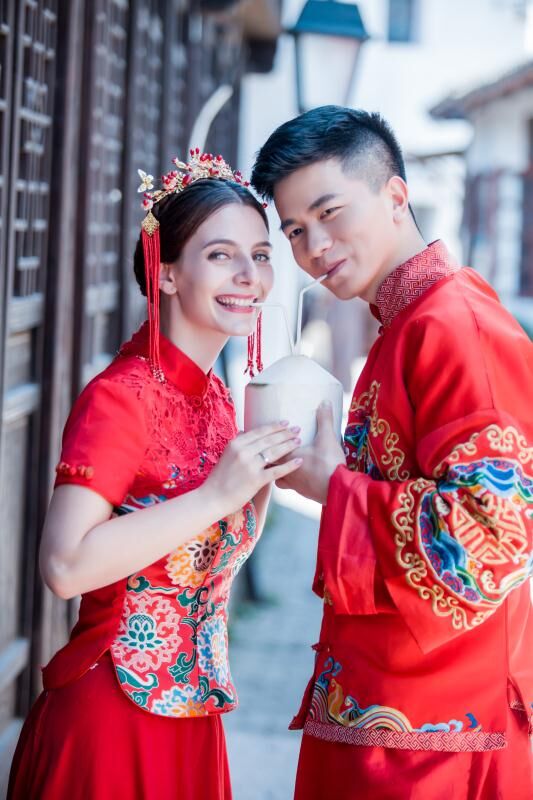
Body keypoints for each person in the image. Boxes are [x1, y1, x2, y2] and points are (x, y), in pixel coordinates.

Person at [251, 107, 533, 800]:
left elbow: (496, 538)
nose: (314, 245)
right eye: (293, 230)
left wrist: (331, 488)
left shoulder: (454, 327)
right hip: (390, 710)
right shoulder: (407, 323)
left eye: (329, 212)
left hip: (437, 737)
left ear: (396, 195)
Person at [8, 152, 303, 800]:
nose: (247, 276)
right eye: (221, 254)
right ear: (166, 273)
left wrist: (262, 482)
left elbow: (207, 558)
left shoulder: (220, 400)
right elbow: (64, 568)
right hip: (111, 715)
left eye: (259, 256)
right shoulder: (120, 398)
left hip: (194, 714)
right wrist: (216, 494)